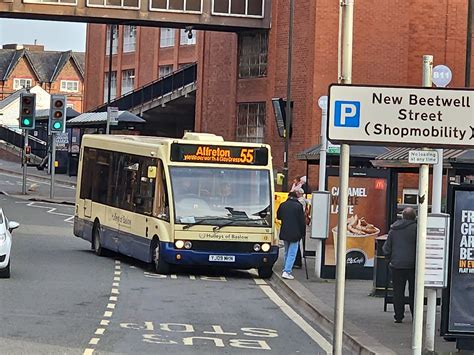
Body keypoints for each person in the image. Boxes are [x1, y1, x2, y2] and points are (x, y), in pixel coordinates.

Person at [383, 207, 417, 323]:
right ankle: (415, 316)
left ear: (402, 216)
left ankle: (398, 316)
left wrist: (389, 259)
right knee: (414, 292)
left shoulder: (394, 229)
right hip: (413, 266)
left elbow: (386, 248)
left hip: (397, 265)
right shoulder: (417, 229)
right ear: (414, 217)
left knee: (398, 292)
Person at [277, 191, 306, 280]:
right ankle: (287, 271)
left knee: (286, 251)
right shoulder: (298, 206)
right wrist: (303, 233)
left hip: (285, 231)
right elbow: (302, 221)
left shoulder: (283, 205)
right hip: (295, 232)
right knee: (292, 253)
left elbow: (278, 216)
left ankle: (286, 269)